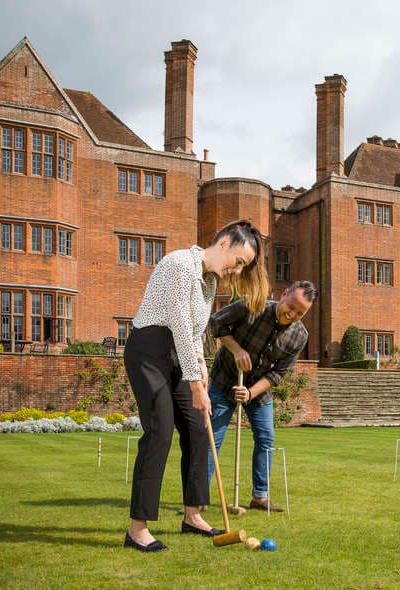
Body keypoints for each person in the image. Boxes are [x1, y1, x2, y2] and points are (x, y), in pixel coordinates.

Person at [122, 220, 268, 552]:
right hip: (149, 350)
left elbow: (194, 330)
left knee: (197, 428)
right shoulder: (179, 264)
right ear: (225, 243)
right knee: (159, 432)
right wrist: (197, 385)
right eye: (239, 260)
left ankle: (193, 515)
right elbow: (177, 323)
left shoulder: (209, 282)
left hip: (177, 354)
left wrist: (200, 368)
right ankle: (137, 529)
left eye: (244, 266)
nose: (237, 269)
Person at [207, 280, 317, 511]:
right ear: (284, 294)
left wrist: (250, 393)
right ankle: (198, 499)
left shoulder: (299, 335)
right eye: (292, 306)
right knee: (211, 440)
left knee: (266, 439)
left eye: (300, 312)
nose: (293, 313)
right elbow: (216, 322)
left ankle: (260, 497)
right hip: (225, 379)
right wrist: (236, 350)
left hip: (258, 390)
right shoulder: (252, 306)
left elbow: (278, 373)